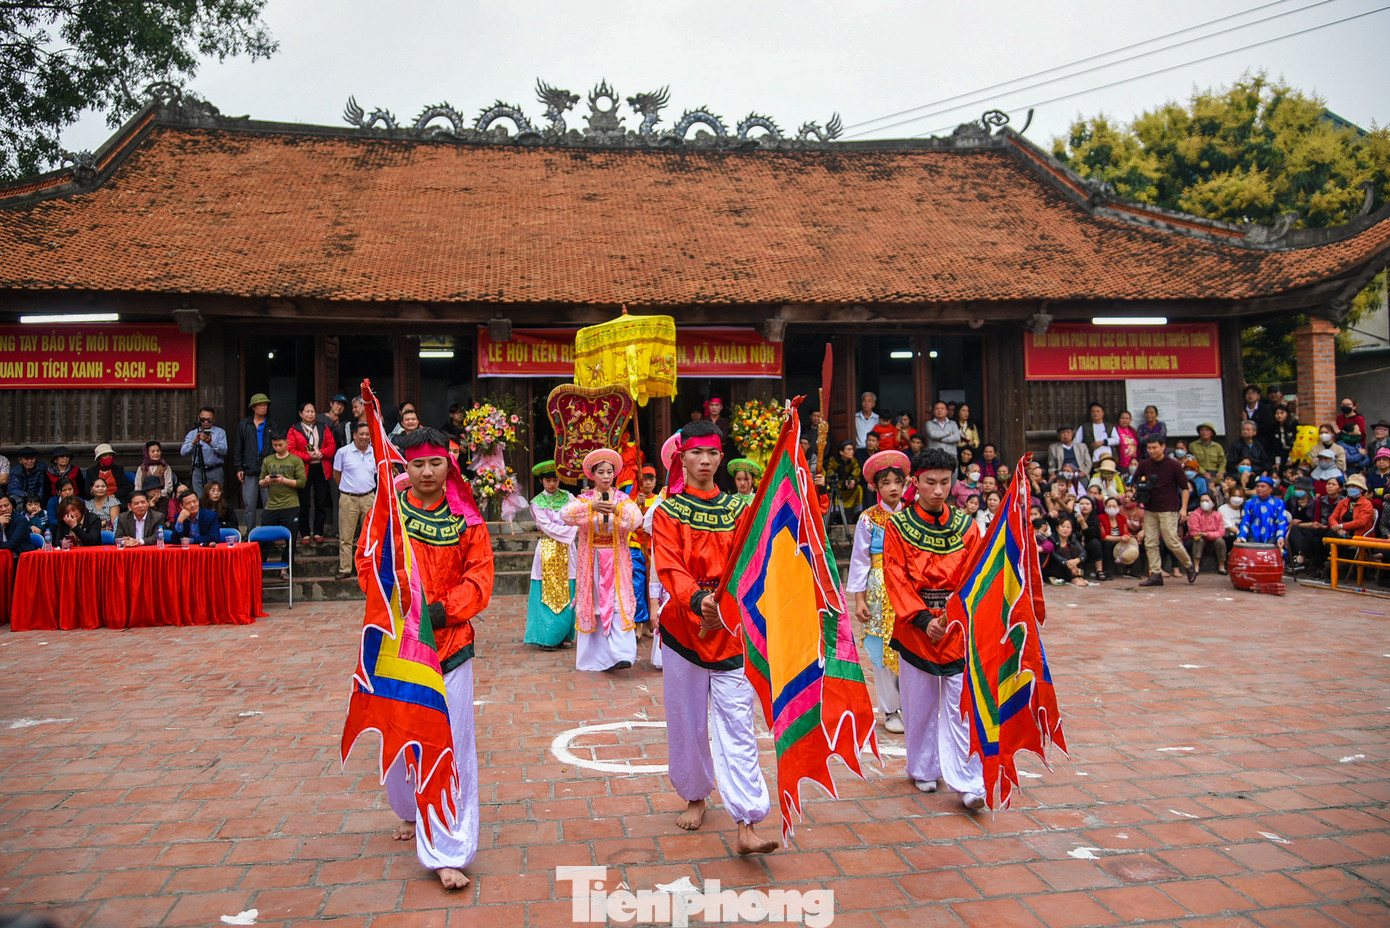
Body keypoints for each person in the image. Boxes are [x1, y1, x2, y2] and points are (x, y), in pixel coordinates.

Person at [358, 426, 494, 891]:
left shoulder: (467, 519)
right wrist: (395, 608)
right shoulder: (389, 513)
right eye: (416, 463)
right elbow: (366, 561)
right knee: (402, 741)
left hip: (451, 647)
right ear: (405, 467)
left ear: (448, 464)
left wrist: (438, 613)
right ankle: (413, 810)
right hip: (397, 648)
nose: (427, 472)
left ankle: (448, 847)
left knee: (450, 746)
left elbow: (480, 579)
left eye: (435, 463)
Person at [649, 419, 777, 855]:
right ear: (680, 458)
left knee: (738, 721)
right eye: (695, 454)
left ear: (721, 458)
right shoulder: (666, 512)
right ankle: (695, 794)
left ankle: (747, 819)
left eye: (712, 454)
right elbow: (668, 566)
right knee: (686, 721)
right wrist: (698, 598)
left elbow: (756, 562)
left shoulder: (741, 510)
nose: (704, 461)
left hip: (731, 630)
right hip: (684, 627)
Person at [882, 447, 986, 809]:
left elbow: (974, 575)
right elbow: (895, 576)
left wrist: (954, 614)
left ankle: (969, 781)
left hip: (956, 626)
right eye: (930, 482)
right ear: (916, 483)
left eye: (945, 482)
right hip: (916, 627)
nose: (938, 490)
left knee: (962, 704)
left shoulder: (966, 526)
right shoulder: (897, 526)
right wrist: (925, 620)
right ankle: (923, 767)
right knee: (919, 704)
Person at [846, 449, 910, 735]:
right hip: (877, 586)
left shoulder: (912, 515)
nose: (893, 487)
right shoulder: (868, 519)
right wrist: (859, 599)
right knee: (881, 649)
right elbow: (859, 559)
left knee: (909, 645)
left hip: (908, 586)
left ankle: (912, 704)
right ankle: (890, 708)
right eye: (886, 483)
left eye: (898, 481)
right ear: (876, 487)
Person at [562, 449, 642, 673]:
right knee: (594, 604)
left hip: (616, 560)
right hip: (592, 559)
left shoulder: (622, 499)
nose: (606, 477)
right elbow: (565, 515)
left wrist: (616, 510)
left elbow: (636, 519)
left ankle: (621, 654)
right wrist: (591, 507)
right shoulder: (585, 499)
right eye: (601, 472)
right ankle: (594, 658)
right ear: (593, 475)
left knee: (618, 602)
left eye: (609, 472)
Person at [525, 461, 577, 651]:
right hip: (548, 547)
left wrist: (572, 530)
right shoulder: (537, 503)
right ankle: (548, 635)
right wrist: (570, 532)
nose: (552, 483)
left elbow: (577, 517)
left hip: (567, 549)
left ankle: (564, 634)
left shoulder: (570, 497)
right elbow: (546, 526)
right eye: (548, 480)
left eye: (555, 479)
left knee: (569, 587)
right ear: (542, 481)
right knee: (547, 591)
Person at [1134, 436, 1195, 586]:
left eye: (1155, 447)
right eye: (1149, 448)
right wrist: (1140, 490)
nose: (1152, 451)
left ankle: (1188, 565)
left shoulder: (1173, 465)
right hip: (1150, 508)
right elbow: (1134, 481)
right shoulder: (1145, 464)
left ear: (1163, 447)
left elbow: (1185, 488)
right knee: (1150, 542)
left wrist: (1184, 508)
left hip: (1168, 508)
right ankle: (1155, 573)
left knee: (1171, 541)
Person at [332, 422, 377, 580]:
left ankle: (367, 568)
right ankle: (345, 568)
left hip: (369, 498)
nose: (365, 437)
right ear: (355, 435)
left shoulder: (375, 452)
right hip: (348, 498)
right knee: (346, 536)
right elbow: (336, 474)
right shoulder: (343, 452)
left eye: (367, 434)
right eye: (362, 434)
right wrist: (346, 489)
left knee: (369, 537)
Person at [289, 401, 337, 543]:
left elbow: (332, 446)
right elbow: (291, 450)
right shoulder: (294, 430)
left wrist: (321, 453)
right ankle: (304, 532)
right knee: (304, 502)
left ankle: (318, 531)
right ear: (300, 414)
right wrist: (307, 456)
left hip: (321, 467)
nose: (310, 414)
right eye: (307, 411)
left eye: (312, 411)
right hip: (304, 468)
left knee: (321, 500)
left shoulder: (323, 427)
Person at [258, 432, 307, 565]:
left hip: (291, 505)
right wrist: (267, 481)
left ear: (287, 443)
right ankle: (260, 565)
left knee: (290, 539)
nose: (277, 447)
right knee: (264, 538)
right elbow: (260, 482)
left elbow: (302, 482)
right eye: (275, 445)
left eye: (280, 445)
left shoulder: (295, 460)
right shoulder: (268, 460)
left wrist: (284, 480)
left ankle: (286, 567)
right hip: (272, 505)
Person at [630, 464, 664, 643]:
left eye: (651, 479)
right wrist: (637, 506)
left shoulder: (660, 499)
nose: (648, 483)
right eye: (645, 479)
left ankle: (652, 624)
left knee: (653, 587)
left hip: (654, 549)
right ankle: (638, 625)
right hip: (636, 548)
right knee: (637, 586)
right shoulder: (633, 500)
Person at [234, 393, 277, 529]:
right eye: (260, 405)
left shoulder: (271, 424)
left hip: (267, 469)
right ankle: (250, 531)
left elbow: (277, 446)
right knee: (249, 504)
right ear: (253, 407)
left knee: (269, 504)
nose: (263, 407)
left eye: (265, 405)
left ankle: (268, 531)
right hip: (249, 467)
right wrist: (239, 467)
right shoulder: (244, 424)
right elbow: (238, 447)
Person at [1325, 474, 1376, 582]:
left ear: (1361, 490)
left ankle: (1336, 570)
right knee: (1324, 535)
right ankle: (1333, 569)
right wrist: (1338, 528)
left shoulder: (1367, 504)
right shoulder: (1342, 502)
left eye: (1355, 487)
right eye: (1350, 486)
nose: (1351, 489)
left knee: (1332, 537)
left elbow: (1361, 522)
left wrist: (1342, 526)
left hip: (1359, 535)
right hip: (1341, 532)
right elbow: (1332, 517)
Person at [181, 407, 229, 497]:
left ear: (213, 420)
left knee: (215, 497)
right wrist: (193, 442)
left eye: (209, 420)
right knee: (199, 498)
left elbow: (224, 450)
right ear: (198, 418)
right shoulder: (193, 433)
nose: (206, 422)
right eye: (203, 420)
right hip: (198, 470)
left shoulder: (220, 432)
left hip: (215, 470)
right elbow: (183, 451)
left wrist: (210, 443)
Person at [1237, 477, 1290, 554]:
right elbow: (1245, 522)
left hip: (1272, 535)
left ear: (1271, 489)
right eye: (1257, 486)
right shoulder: (1249, 503)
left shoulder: (1279, 503)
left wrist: (1280, 537)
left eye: (1262, 486)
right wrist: (1241, 536)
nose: (1259, 489)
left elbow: (1281, 522)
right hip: (1253, 535)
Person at [1187, 492, 1228, 574]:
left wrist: (1207, 534)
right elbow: (1194, 531)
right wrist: (1202, 534)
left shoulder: (1218, 515)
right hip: (1197, 540)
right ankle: (1196, 566)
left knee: (1220, 541)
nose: (1204, 503)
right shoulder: (1195, 514)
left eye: (1206, 500)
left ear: (1213, 503)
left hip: (1212, 541)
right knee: (1198, 539)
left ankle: (1221, 566)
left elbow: (1221, 532)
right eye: (1202, 501)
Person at [825, 440, 864, 523]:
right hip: (837, 486)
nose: (852, 452)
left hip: (848, 487)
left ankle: (856, 514)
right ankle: (835, 516)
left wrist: (853, 481)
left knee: (859, 489)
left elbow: (856, 473)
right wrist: (843, 484)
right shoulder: (833, 461)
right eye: (849, 450)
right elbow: (829, 477)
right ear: (841, 452)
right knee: (831, 490)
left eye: (852, 449)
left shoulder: (853, 461)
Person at [1044, 517, 1089, 586]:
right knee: (1064, 550)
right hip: (1057, 568)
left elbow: (1083, 552)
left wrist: (1078, 560)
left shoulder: (1072, 538)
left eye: (1068, 527)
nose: (1065, 529)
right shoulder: (1052, 539)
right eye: (1063, 527)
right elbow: (1054, 555)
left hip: (1072, 569)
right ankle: (1074, 578)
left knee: (1075, 549)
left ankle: (1078, 576)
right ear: (1057, 528)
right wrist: (1068, 563)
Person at [0, 495, 40, 561]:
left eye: (6, 505)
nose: (4, 509)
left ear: (11, 505)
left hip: (20, 558)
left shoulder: (21, 520)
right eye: (0, 507)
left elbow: (12, 544)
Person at [1337, 398, 1368, 472]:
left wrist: (1338, 432)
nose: (1345, 406)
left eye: (1348, 404)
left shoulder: (1359, 418)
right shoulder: (1340, 418)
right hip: (1344, 447)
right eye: (1343, 404)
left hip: (1357, 447)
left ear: (1354, 407)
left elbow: (1359, 435)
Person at [1268, 405, 1298, 473]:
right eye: (1277, 413)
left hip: (1294, 453)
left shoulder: (1293, 425)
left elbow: (1296, 442)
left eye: (1282, 413)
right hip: (1282, 453)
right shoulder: (1274, 427)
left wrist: (1291, 458)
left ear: (1287, 413)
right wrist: (1277, 462)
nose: (1279, 416)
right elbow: (1276, 446)